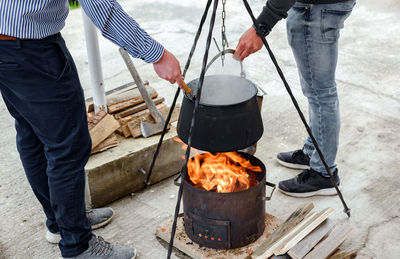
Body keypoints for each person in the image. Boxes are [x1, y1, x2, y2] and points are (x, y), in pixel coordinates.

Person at [0, 0, 185, 258]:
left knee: (32, 134)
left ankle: (61, 222)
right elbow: (103, 10)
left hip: (6, 47)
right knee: (68, 147)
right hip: (34, 50)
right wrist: (158, 55)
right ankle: (78, 246)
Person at [235, 0, 356, 197]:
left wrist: (261, 27)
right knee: (314, 89)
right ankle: (314, 152)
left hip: (318, 9)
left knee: (321, 93)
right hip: (312, 6)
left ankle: (324, 173)